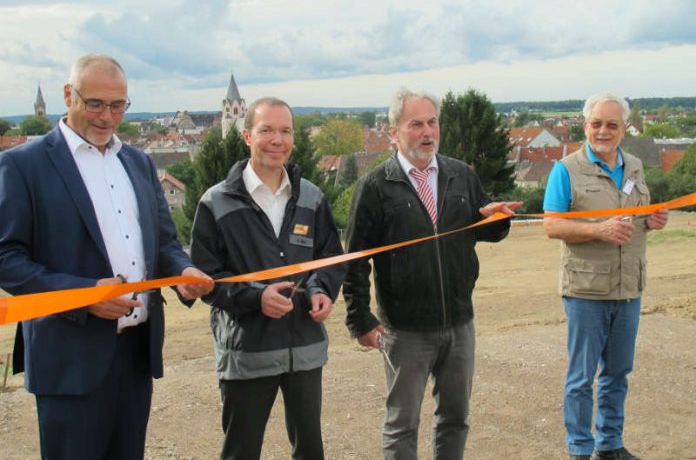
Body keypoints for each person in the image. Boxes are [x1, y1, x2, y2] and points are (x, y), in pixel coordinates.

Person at [0, 54, 213, 460]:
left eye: (118, 105)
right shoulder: (21, 165)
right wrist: (82, 295)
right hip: (69, 356)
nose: (107, 116)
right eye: (95, 103)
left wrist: (182, 269)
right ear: (68, 95)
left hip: (135, 354)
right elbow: (6, 257)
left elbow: (164, 242)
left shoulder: (138, 162)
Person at [342, 88, 521, 460]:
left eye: (433, 122)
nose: (427, 132)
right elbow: (355, 259)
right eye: (416, 124)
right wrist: (360, 320)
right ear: (394, 132)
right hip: (404, 330)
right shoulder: (375, 186)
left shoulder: (460, 175)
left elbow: (477, 228)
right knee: (402, 424)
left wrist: (497, 221)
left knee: (455, 418)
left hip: (459, 322)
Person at [190, 97, 345, 460]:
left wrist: (323, 289)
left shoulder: (312, 197)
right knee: (241, 451)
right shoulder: (216, 202)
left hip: (304, 349)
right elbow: (207, 279)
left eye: (285, 131)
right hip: (248, 353)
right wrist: (255, 297)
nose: (277, 140)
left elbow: (332, 258)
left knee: (310, 451)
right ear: (247, 136)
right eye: (267, 130)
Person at [543, 93, 669, 460]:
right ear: (585, 126)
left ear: (624, 129)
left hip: (628, 287)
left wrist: (653, 221)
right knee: (581, 378)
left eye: (612, 124)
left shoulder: (634, 166)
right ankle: (580, 449)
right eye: (596, 123)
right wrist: (598, 230)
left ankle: (609, 445)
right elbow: (551, 226)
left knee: (617, 373)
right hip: (586, 290)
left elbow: (637, 214)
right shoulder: (565, 169)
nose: (603, 131)